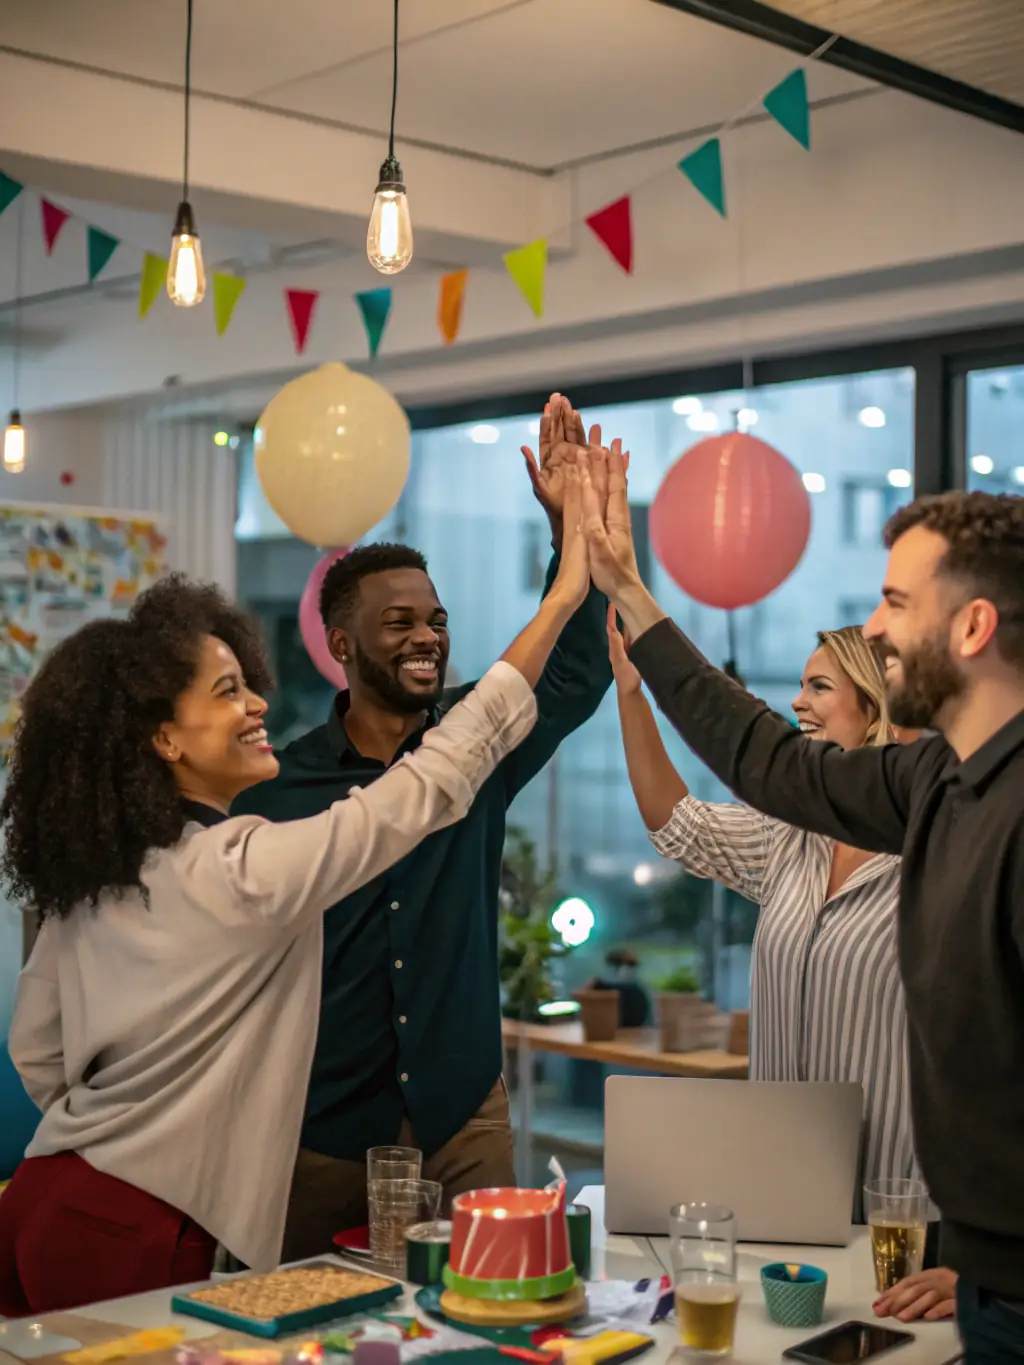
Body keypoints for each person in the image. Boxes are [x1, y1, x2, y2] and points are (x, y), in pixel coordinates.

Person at [0, 475, 593, 1317]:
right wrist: (567, 583)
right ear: (163, 738)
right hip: (135, 1217)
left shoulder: (113, 864)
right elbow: (423, 788)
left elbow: (39, 1053)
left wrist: (117, 1121)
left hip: (43, 1190)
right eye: (227, 691)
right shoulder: (238, 861)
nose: (258, 703)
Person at [580, 451, 1024, 1363]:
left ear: (974, 625)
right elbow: (765, 759)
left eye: (898, 603)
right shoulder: (936, 781)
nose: (874, 625)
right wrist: (626, 585)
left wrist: (984, 1253)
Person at [232, 395, 614, 1261]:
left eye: (436, 620)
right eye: (399, 622)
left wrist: (569, 532)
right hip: (324, 1121)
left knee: (494, 1309)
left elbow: (580, 672)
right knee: (315, 1323)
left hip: (462, 1110)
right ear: (341, 643)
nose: (427, 637)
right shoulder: (281, 785)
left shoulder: (476, 744)